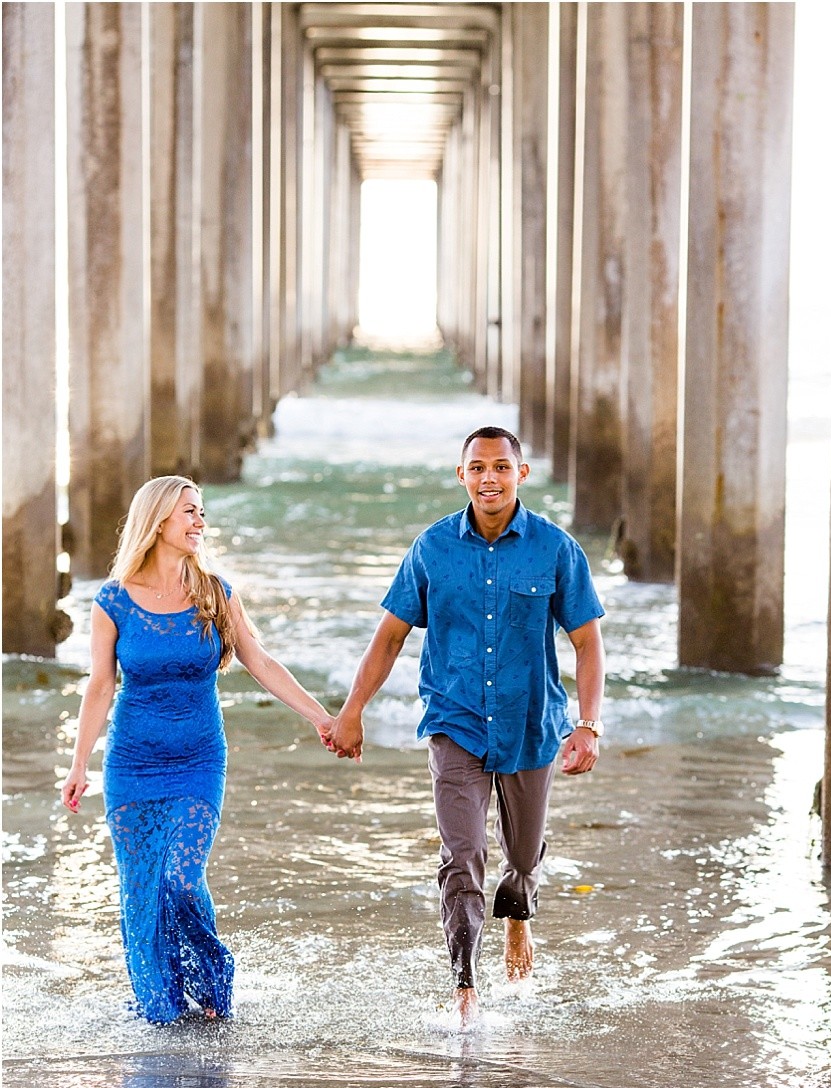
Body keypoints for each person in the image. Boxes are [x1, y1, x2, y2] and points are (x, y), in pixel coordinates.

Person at [328, 427, 605, 1027]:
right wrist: (352, 711)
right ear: (461, 476)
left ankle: (518, 919)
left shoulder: (556, 550)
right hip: (455, 723)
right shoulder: (431, 550)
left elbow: (587, 643)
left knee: (523, 855)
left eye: (501, 467)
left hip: (532, 725)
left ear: (521, 474)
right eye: (476, 467)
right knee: (463, 854)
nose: (489, 478)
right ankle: (465, 984)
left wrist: (587, 725)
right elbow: (390, 639)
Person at [61, 475, 333, 1025]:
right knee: (143, 894)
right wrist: (79, 764)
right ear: (159, 518)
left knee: (180, 881)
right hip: (132, 769)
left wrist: (322, 717)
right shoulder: (112, 600)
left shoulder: (216, 591)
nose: (200, 523)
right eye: (190, 512)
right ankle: (162, 1006)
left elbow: (261, 662)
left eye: (201, 513)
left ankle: (211, 982)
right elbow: (99, 685)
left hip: (197, 763)